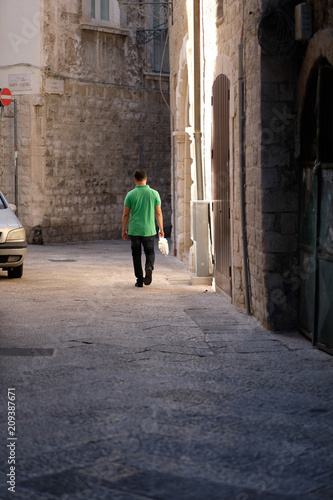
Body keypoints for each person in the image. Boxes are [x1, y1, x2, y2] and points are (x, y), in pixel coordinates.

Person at [122, 169, 164, 287]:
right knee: (150, 252)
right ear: (146, 179)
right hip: (149, 230)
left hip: (134, 230)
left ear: (135, 180)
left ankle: (139, 280)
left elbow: (125, 214)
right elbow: (159, 212)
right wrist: (161, 228)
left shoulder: (130, 194)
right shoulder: (154, 193)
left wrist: (124, 230)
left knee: (136, 254)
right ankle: (149, 267)